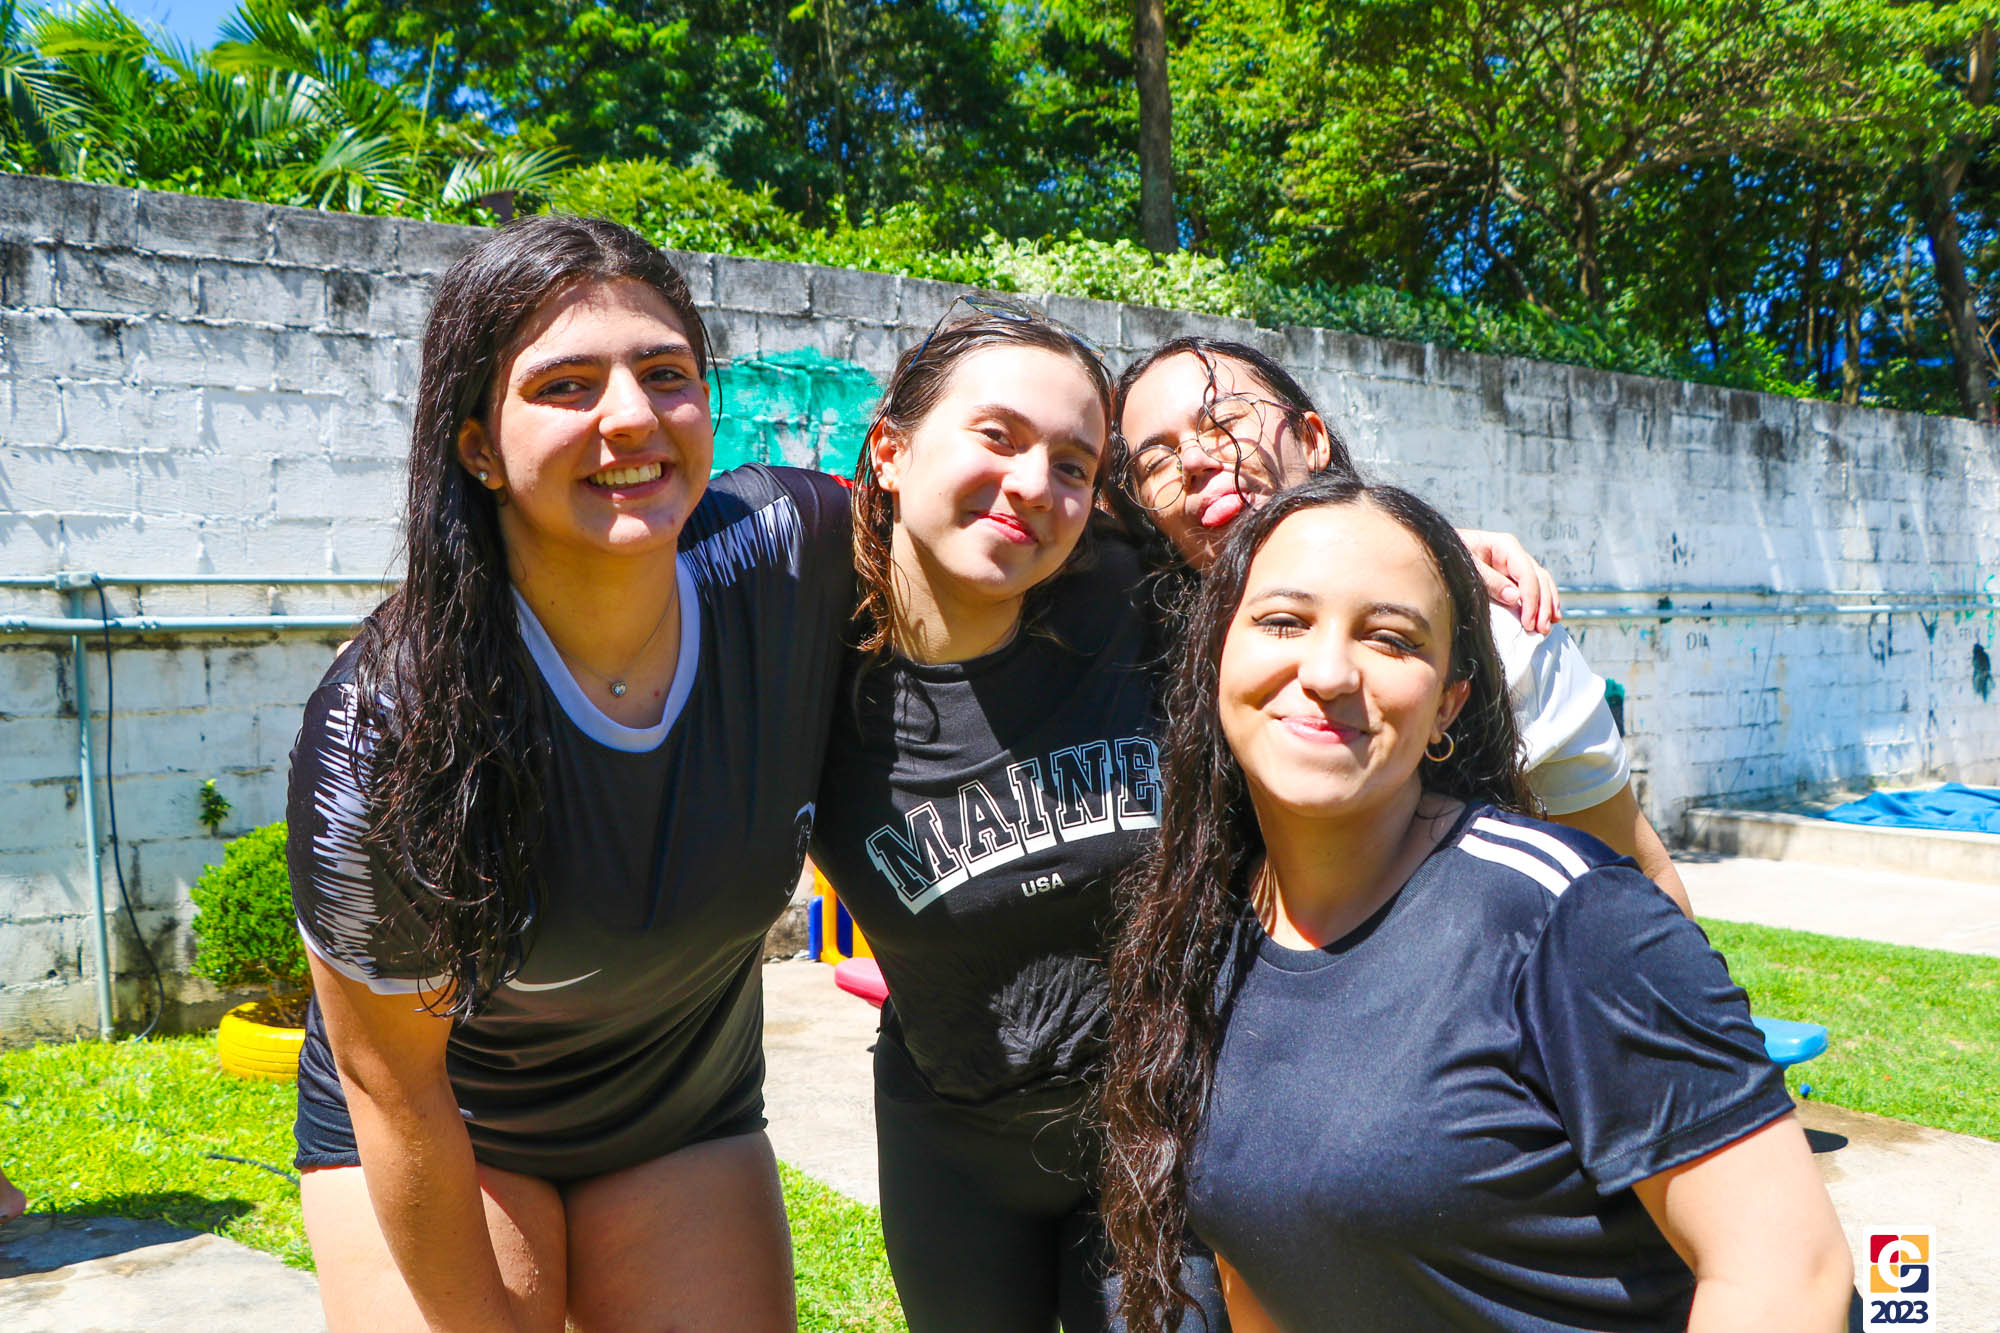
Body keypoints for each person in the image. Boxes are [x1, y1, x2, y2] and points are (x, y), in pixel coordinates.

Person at [811, 303, 1565, 1332]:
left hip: (1162, 1114)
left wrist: (1420, 555)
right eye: (996, 435)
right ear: (890, 451)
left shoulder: (1126, 594)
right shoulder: (806, 663)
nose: (1032, 484)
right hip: (949, 1135)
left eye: (1073, 465)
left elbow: (1254, 538)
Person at [1099, 474, 1852, 1332]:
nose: (1328, 670)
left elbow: (1789, 1273)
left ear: (1448, 703)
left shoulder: (1570, 919)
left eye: (1391, 638)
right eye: (1283, 621)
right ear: (1215, 656)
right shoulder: (1201, 927)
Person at [286, 215, 853, 1332]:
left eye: (665, 373)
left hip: (682, 1111)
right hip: (457, 1123)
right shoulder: (384, 726)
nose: (631, 416)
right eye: (564, 386)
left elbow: (1000, 525)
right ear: (478, 448)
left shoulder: (790, 550)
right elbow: (394, 1089)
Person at [1111, 339, 1691, 910]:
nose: (1193, 460)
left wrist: (1432, 577)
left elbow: (1640, 882)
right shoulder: (1133, 642)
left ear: (1312, 440)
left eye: (1225, 421)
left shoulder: (1497, 632)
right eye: (1155, 461)